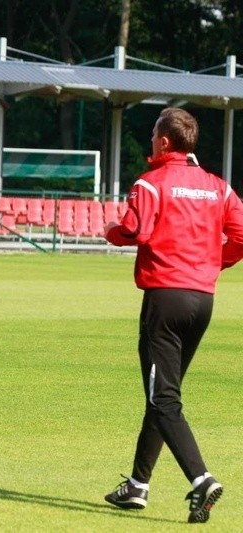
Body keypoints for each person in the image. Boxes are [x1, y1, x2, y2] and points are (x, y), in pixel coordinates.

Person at [102, 107, 243, 523]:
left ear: (164, 142)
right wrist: (214, 262)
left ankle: (202, 481)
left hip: (165, 298)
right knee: (162, 394)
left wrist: (111, 230)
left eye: (152, 136)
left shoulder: (150, 183)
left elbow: (135, 231)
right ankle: (138, 486)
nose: (150, 142)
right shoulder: (217, 186)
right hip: (202, 300)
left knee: (164, 399)